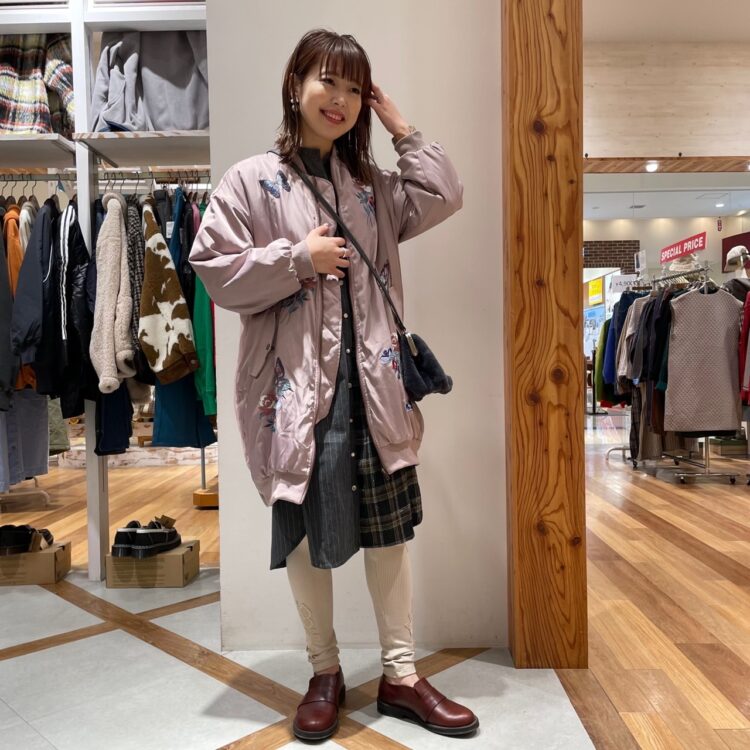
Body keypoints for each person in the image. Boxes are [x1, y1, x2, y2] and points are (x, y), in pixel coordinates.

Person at [190, 28, 477, 742]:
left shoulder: (372, 186)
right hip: (295, 394)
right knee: (302, 532)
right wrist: (299, 259)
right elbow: (214, 270)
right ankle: (324, 673)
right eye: (328, 81)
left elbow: (445, 192)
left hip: (375, 390)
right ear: (296, 84)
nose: (340, 99)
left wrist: (401, 126)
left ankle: (401, 675)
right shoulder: (250, 181)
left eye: (354, 87)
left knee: (388, 533)